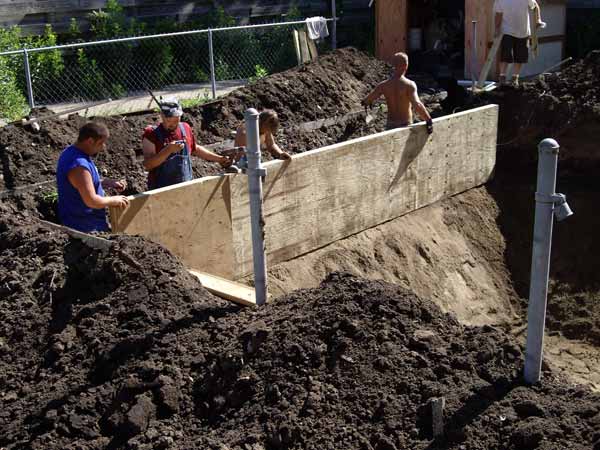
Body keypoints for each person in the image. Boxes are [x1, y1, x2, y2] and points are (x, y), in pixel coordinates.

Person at [142, 97, 231, 190]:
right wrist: (168, 150)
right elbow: (148, 165)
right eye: (169, 121)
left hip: (186, 187)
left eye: (176, 120)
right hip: (161, 191)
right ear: (162, 115)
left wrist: (219, 159)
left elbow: (195, 149)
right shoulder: (151, 133)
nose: (173, 124)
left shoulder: (185, 128)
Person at [56, 122, 129, 232]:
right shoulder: (79, 165)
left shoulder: (72, 152)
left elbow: (81, 184)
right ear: (90, 141)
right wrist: (114, 200)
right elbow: (91, 201)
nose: (103, 147)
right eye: (100, 143)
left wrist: (106, 183)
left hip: (87, 223)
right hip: (85, 227)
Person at [362, 52, 433, 133]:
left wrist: (366, 102)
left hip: (390, 126)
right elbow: (417, 104)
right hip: (405, 125)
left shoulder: (383, 85)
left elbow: (368, 99)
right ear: (406, 66)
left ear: (393, 65)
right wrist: (428, 120)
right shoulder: (409, 85)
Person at [494, 0, 545, 86]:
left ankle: (515, 78)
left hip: (523, 32)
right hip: (507, 31)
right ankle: (502, 77)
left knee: (520, 56)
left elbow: (535, 6)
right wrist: (497, 29)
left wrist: (538, 19)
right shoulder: (500, 1)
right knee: (505, 55)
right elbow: (498, 15)